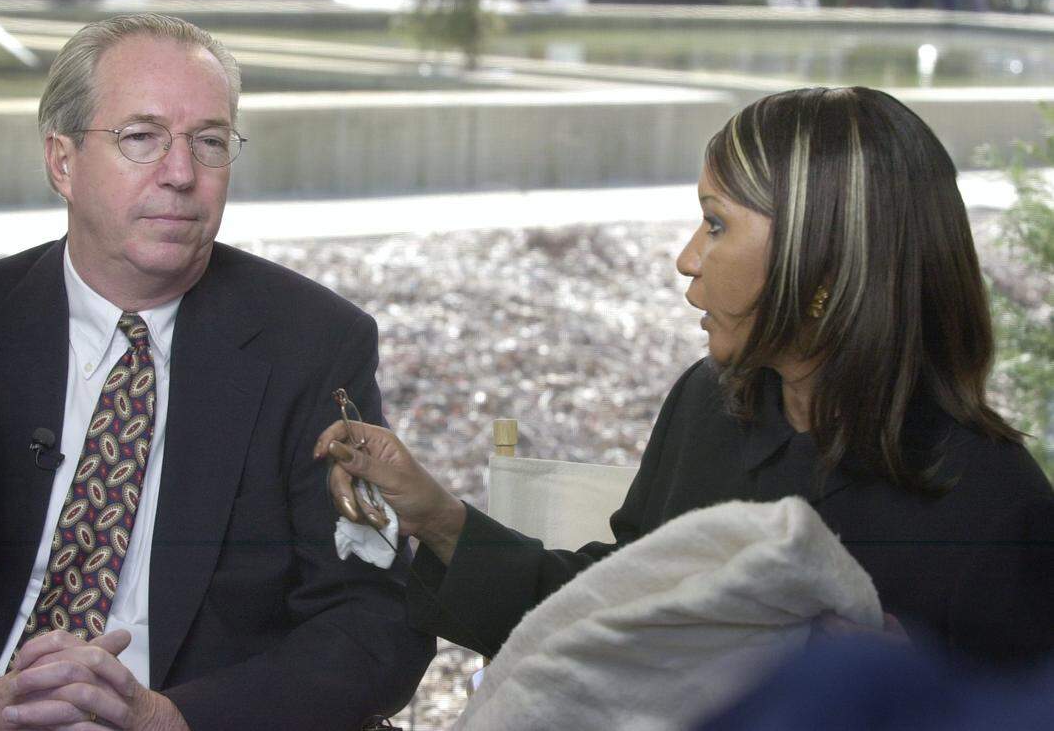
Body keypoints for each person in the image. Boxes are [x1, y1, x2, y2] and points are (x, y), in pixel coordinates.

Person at [316, 86, 1053, 666]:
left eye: (717, 223)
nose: (687, 257)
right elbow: (602, 613)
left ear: (821, 264)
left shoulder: (996, 515)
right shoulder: (711, 404)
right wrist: (437, 515)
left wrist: (910, 698)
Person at [0, 14, 433, 731]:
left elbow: (374, 621)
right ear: (62, 161)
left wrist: (174, 719)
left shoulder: (312, 346)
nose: (182, 173)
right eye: (141, 137)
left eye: (209, 142)